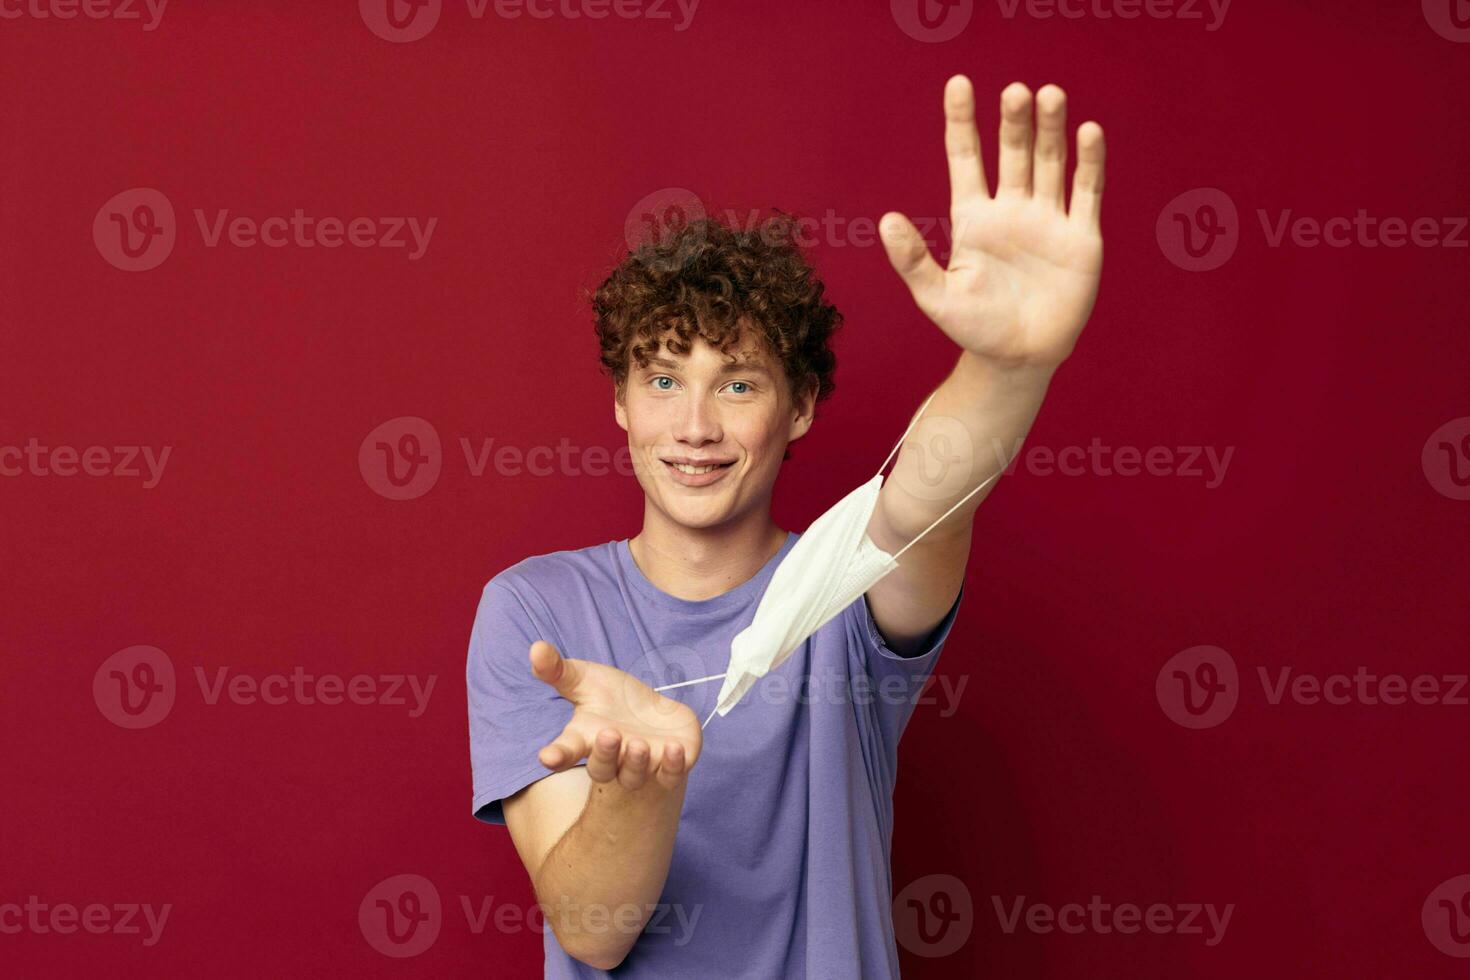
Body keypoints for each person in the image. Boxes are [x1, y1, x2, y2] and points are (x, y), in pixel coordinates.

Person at [466, 74, 1106, 977]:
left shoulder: (851, 598)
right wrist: (643, 783)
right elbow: (591, 929)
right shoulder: (536, 613)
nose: (694, 426)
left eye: (738, 383)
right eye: (660, 380)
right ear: (619, 403)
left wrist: (1005, 368)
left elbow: (927, 493)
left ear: (799, 405)